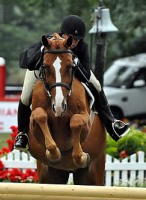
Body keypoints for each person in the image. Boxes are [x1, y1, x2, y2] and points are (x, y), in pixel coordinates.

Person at [14, 15, 130, 150]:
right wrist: (42, 51)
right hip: (43, 70)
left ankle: (112, 124)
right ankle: (22, 133)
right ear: (63, 34)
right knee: (26, 94)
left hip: (70, 71)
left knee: (97, 85)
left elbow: (86, 74)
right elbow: (27, 62)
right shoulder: (48, 40)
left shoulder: (82, 48)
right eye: (72, 38)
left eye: (78, 39)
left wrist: (75, 63)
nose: (74, 42)